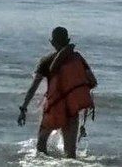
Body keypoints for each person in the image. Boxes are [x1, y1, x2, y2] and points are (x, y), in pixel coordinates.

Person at [17, 27, 97, 158]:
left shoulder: (46, 61)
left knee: (41, 147)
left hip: (53, 109)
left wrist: (23, 108)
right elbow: (92, 81)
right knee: (70, 154)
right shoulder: (78, 59)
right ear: (68, 40)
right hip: (72, 110)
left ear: (52, 42)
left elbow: (33, 88)